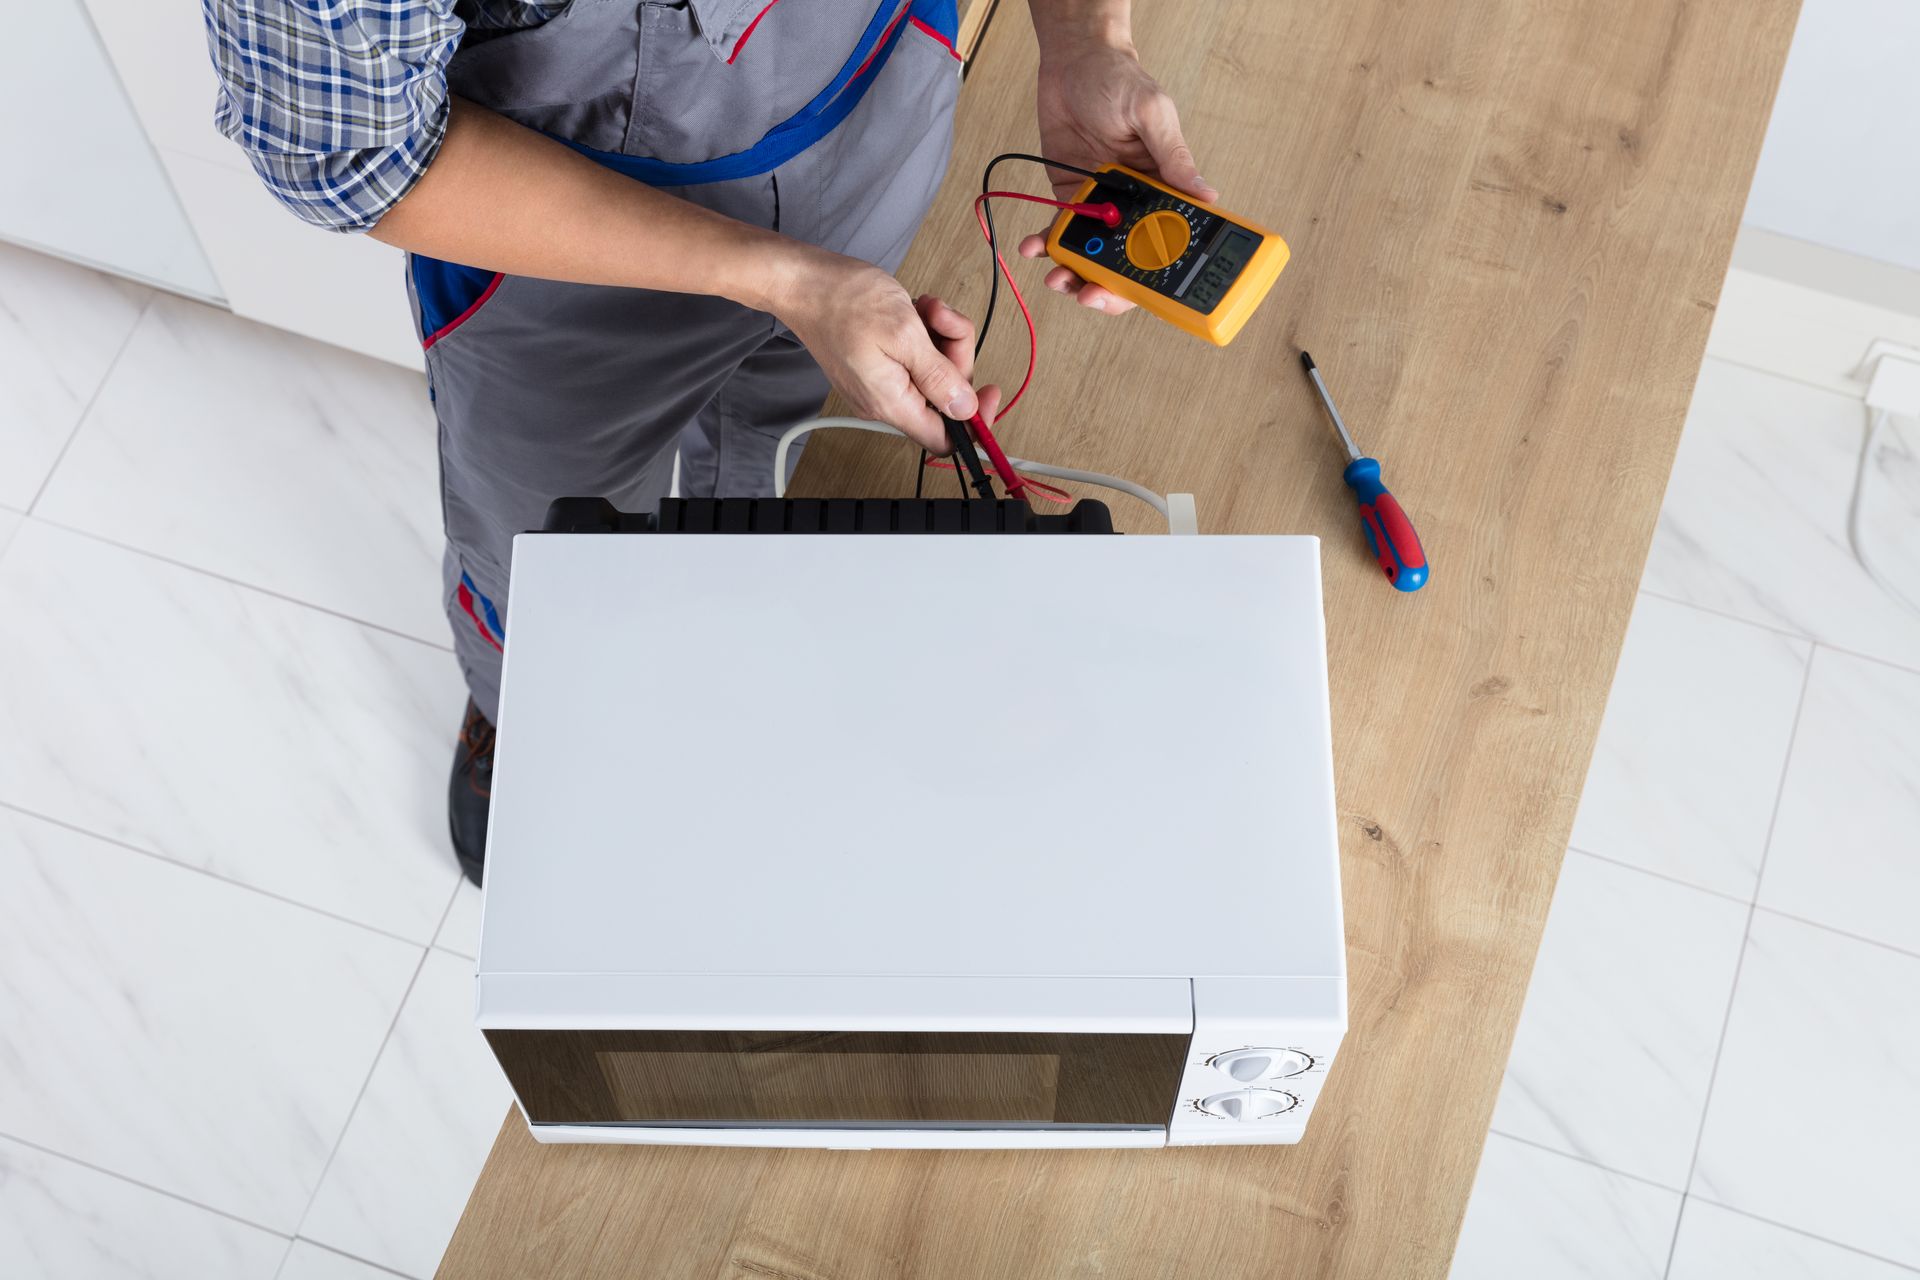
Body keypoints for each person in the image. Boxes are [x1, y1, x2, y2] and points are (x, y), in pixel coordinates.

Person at [201, 0, 1215, 886]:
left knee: (772, 422)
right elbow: (364, 156)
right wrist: (784, 279)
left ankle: (728, 586)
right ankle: (526, 714)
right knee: (546, 548)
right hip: (561, 242)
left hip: (870, 102)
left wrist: (1086, 35)